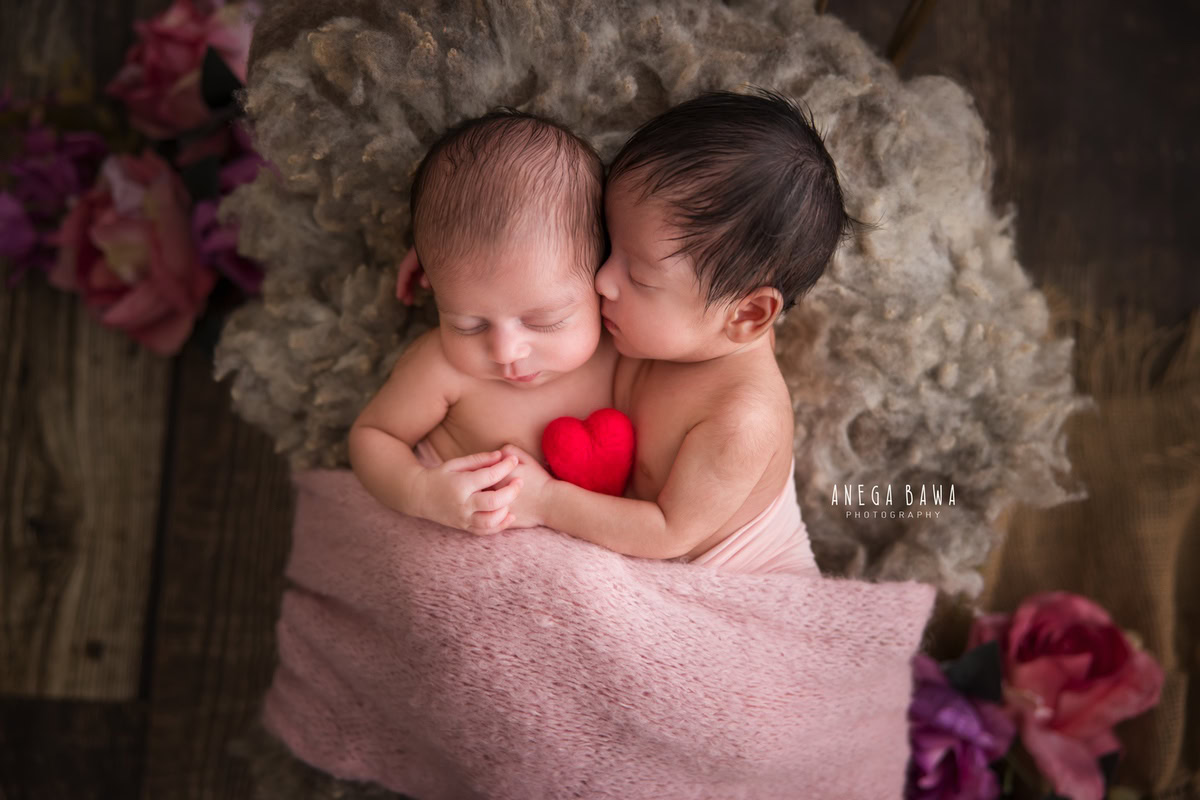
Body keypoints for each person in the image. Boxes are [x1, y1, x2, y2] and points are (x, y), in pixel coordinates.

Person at [497, 89, 854, 575]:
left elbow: (666, 532)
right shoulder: (687, 324)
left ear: (748, 316)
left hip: (739, 587)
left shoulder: (741, 419)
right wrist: (485, 274)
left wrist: (546, 502)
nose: (602, 280)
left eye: (638, 276)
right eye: (609, 245)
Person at [348, 109, 618, 535]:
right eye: (468, 325)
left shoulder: (623, 347)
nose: (505, 352)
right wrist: (419, 491)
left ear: (607, 277)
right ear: (428, 285)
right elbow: (372, 436)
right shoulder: (440, 369)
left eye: (545, 321)